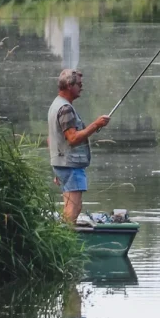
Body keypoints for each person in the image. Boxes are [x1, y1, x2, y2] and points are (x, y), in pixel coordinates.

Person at [48, 68, 109, 223]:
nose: (82, 87)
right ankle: (64, 243)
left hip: (63, 163)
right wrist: (96, 124)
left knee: (73, 206)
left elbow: (52, 139)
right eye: (79, 84)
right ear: (69, 85)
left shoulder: (56, 104)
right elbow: (73, 139)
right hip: (70, 164)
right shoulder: (65, 108)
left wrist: (56, 164)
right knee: (73, 209)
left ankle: (65, 240)